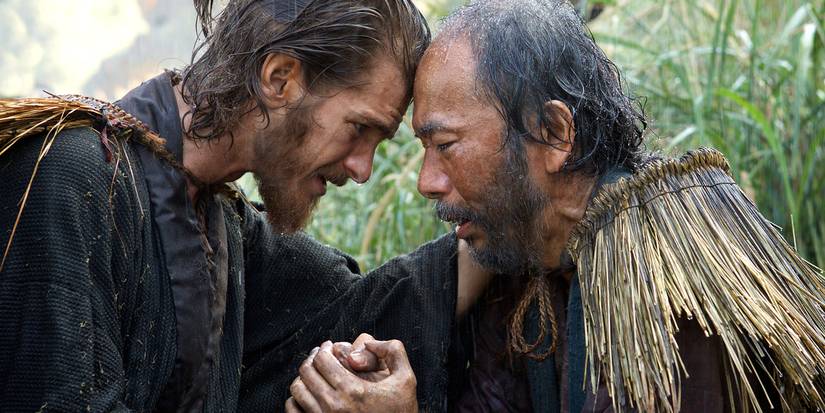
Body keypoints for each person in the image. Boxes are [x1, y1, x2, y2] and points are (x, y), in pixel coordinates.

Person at [287, 0, 825, 412]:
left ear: (553, 133)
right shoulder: (529, 258)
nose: (428, 182)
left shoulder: (676, 270)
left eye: (445, 146)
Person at [0, 1, 493, 411]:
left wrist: (504, 215)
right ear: (279, 79)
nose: (363, 169)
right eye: (359, 128)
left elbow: (362, 307)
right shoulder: (66, 173)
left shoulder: (224, 223)